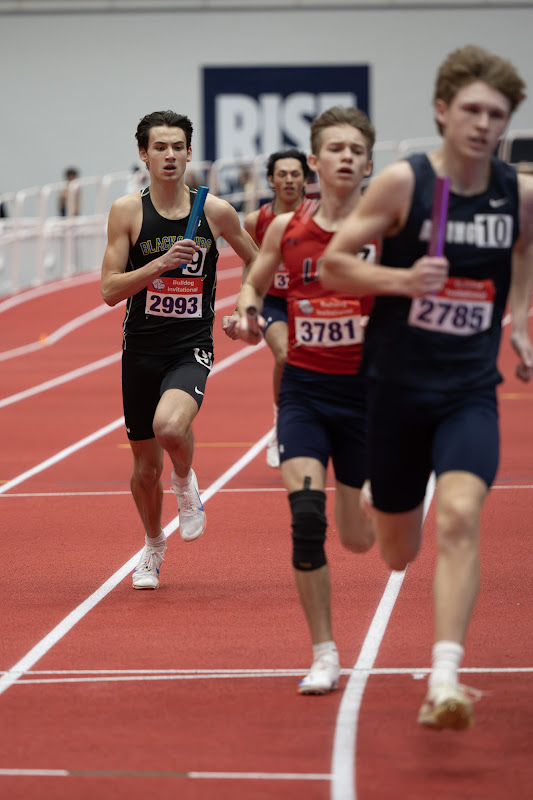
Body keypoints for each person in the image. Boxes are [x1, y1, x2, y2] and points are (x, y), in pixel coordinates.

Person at [321, 45, 533, 730]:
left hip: (468, 386)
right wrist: (399, 281)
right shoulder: (401, 185)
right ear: (441, 110)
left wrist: (518, 320)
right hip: (395, 387)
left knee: (460, 516)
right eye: (469, 109)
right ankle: (373, 500)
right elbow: (331, 267)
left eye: (495, 115)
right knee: (396, 551)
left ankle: (444, 678)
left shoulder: (516, 194)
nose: (481, 124)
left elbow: (525, 253)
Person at [228, 107, 377, 694]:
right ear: (315, 161)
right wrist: (244, 312)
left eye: (357, 149)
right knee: (306, 521)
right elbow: (255, 284)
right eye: (334, 148)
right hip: (306, 395)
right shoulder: (284, 229)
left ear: (369, 163)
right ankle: (324, 652)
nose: (346, 157)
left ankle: (365, 501)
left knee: (363, 541)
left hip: (369, 400)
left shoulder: (388, 230)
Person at [101, 110, 258, 589]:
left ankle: (186, 483)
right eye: (159, 147)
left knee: (170, 425)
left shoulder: (215, 211)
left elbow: (258, 261)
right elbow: (109, 290)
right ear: (144, 154)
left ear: (190, 153)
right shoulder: (128, 211)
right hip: (141, 348)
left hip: (191, 343)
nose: (169, 155)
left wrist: (244, 310)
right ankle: (152, 545)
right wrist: (160, 265)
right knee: (145, 469)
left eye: (177, 147)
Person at [225, 149, 310, 468]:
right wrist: (240, 308)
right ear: (271, 179)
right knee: (286, 355)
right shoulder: (257, 220)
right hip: (274, 301)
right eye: (283, 174)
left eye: (295, 173)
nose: (289, 180)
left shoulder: (318, 215)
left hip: (310, 302)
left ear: (306, 178)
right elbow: (251, 265)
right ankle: (279, 426)